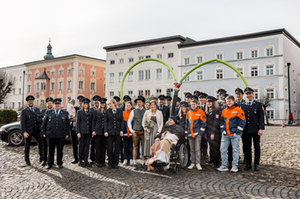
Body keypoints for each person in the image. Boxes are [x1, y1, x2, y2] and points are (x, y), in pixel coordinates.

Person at [218, 95, 246, 173]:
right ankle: (224, 165)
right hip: (225, 134)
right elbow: (221, 122)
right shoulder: (224, 111)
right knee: (222, 150)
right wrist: (223, 130)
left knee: (235, 150)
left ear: (233, 101)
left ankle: (234, 166)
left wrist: (237, 132)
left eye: (230, 101)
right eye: (227, 101)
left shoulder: (238, 110)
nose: (228, 102)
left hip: (234, 135)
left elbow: (242, 122)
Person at [241, 87, 265, 171]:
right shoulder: (243, 105)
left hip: (255, 129)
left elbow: (261, 117)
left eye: (250, 93)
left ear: (253, 94)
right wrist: (241, 129)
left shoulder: (258, 104)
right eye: (247, 94)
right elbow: (241, 118)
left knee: (256, 147)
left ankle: (256, 164)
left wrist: (261, 128)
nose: (248, 95)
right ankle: (248, 163)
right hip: (246, 130)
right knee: (247, 147)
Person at [42, 98, 69, 169]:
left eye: (58, 104)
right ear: (54, 105)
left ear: (60, 105)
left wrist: (67, 133)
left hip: (61, 134)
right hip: (50, 134)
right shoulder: (48, 112)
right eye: (56, 104)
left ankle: (59, 162)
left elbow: (67, 124)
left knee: (60, 149)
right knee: (51, 149)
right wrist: (43, 132)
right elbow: (44, 123)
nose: (57, 105)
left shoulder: (65, 113)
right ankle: (49, 163)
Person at [21, 95, 43, 166]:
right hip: (28, 131)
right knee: (27, 145)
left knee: (41, 143)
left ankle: (42, 158)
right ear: (27, 102)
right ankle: (27, 159)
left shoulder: (37, 109)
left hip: (36, 130)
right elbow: (22, 122)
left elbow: (39, 120)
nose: (31, 102)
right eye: (29, 101)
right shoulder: (24, 111)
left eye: (32, 101)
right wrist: (24, 132)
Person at [185, 99, 207, 170]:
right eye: (192, 104)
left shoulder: (201, 112)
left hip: (197, 134)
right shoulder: (189, 113)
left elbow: (203, 124)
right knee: (192, 149)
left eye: (194, 104)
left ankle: (198, 163)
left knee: (197, 149)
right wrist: (186, 133)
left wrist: (200, 133)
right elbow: (187, 124)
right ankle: (193, 163)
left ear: (197, 104)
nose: (193, 106)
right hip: (190, 134)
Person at [142, 100, 163, 171]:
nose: (152, 106)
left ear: (156, 106)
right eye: (151, 105)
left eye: (153, 105)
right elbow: (143, 122)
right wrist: (146, 129)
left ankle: (154, 163)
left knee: (154, 147)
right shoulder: (147, 112)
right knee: (148, 147)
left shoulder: (159, 112)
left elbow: (161, 124)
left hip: (155, 131)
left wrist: (158, 132)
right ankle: (148, 163)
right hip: (148, 131)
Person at [128, 95, 146, 170]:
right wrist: (132, 131)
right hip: (136, 131)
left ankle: (143, 162)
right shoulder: (133, 111)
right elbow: (129, 122)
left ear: (143, 103)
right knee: (135, 147)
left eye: (140, 102)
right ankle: (134, 162)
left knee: (143, 147)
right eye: (137, 102)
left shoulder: (146, 111)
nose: (138, 103)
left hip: (143, 131)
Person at [104, 99, 124, 169]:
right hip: (110, 132)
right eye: (109, 104)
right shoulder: (107, 111)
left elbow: (122, 121)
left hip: (118, 131)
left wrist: (121, 130)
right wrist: (105, 131)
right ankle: (110, 162)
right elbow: (105, 122)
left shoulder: (120, 111)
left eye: (110, 103)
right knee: (109, 148)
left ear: (114, 104)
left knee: (117, 148)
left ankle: (116, 163)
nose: (109, 105)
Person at [205, 96, 221, 168]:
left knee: (215, 147)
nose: (208, 103)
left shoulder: (216, 111)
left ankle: (216, 162)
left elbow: (216, 123)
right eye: (207, 102)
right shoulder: (208, 111)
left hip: (215, 132)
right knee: (211, 146)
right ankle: (212, 159)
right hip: (208, 131)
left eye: (210, 102)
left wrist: (213, 133)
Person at [76, 98, 93, 167]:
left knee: (87, 146)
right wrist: (78, 132)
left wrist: (91, 131)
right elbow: (77, 123)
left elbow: (91, 122)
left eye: (87, 104)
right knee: (81, 146)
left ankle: (86, 159)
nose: (86, 105)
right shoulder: (79, 112)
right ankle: (80, 160)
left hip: (88, 132)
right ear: (83, 105)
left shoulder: (90, 112)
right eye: (85, 104)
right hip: (82, 132)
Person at [92, 97, 107, 168]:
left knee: (104, 147)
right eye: (102, 103)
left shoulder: (107, 111)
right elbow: (93, 121)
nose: (103, 104)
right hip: (98, 131)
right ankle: (98, 161)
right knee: (98, 147)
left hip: (105, 131)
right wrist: (93, 130)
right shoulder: (96, 111)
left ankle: (103, 161)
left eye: (104, 103)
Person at [39, 97, 54, 166]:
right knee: (44, 146)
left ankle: (51, 161)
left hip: (52, 132)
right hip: (44, 131)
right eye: (48, 103)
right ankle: (44, 160)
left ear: (52, 104)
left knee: (51, 147)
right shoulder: (42, 111)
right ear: (46, 104)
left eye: (51, 103)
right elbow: (38, 120)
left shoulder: (55, 111)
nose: (49, 104)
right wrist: (43, 120)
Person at [235, 88, 246, 164]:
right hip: (235, 125)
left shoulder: (245, 103)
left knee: (245, 143)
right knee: (235, 143)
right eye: (237, 94)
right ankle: (237, 156)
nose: (238, 96)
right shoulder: (234, 103)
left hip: (243, 126)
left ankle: (245, 157)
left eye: (239, 94)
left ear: (242, 95)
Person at [90, 95, 101, 164]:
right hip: (93, 130)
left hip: (100, 130)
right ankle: (92, 158)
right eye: (95, 101)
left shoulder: (101, 109)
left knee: (99, 145)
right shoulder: (91, 110)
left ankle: (98, 158)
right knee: (93, 145)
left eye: (97, 101)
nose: (96, 102)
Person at [122, 101, 134, 166]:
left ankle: (131, 159)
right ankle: (126, 158)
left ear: (131, 106)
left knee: (131, 146)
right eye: (127, 105)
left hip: (132, 132)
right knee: (125, 146)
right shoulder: (123, 113)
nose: (128, 106)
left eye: (129, 105)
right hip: (125, 132)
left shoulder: (133, 113)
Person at [67, 99, 78, 164]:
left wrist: (76, 119)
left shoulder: (77, 108)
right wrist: (70, 119)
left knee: (81, 144)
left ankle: (81, 157)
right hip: (72, 128)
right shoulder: (68, 109)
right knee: (74, 144)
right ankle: (75, 158)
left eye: (72, 102)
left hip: (79, 128)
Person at [199, 92, 208, 161]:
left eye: (202, 98)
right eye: (200, 98)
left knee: (204, 142)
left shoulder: (207, 107)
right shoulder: (197, 106)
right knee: (199, 142)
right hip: (198, 127)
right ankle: (200, 155)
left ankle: (205, 154)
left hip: (205, 126)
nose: (201, 99)